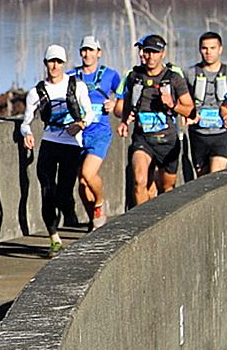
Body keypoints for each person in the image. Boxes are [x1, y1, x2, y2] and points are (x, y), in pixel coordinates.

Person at [20, 44, 94, 251]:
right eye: (51, 62)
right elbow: (25, 122)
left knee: (63, 193)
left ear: (64, 64)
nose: (54, 66)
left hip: (71, 145)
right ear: (45, 64)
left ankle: (66, 214)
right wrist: (27, 133)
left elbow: (89, 113)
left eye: (58, 62)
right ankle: (54, 236)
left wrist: (80, 124)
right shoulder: (36, 92)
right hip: (49, 144)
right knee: (46, 191)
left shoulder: (76, 86)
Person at [119, 35, 194, 207]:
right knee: (139, 180)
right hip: (142, 139)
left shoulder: (174, 78)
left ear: (162, 54)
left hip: (167, 141)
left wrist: (173, 104)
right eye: (147, 52)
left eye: (155, 52)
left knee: (167, 188)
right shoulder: (134, 77)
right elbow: (127, 102)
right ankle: (142, 225)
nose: (150, 56)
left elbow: (189, 109)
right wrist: (124, 121)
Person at [71, 36, 122, 228]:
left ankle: (100, 203)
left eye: (91, 50)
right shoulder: (72, 75)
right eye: (84, 50)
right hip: (78, 135)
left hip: (100, 132)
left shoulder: (110, 75)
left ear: (98, 53)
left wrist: (115, 103)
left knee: (88, 173)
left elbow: (123, 96)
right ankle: (94, 221)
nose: (87, 54)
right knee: (82, 184)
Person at [185, 31, 227, 177]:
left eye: (213, 48)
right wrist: (186, 114)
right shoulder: (190, 73)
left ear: (220, 49)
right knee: (202, 179)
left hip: (221, 134)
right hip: (198, 134)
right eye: (204, 48)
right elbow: (184, 100)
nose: (208, 52)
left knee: (216, 177)